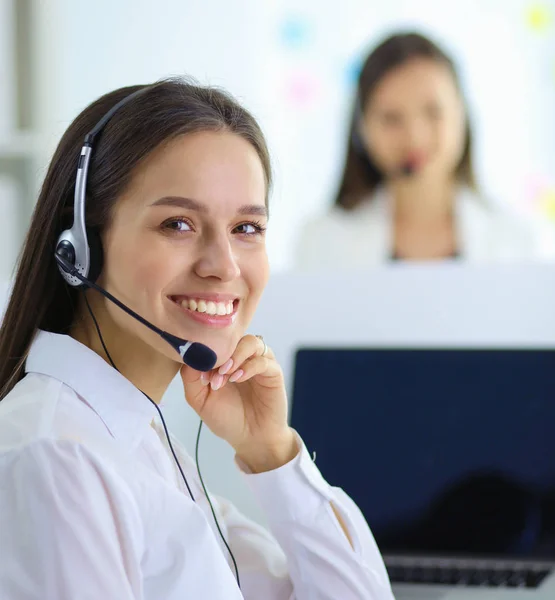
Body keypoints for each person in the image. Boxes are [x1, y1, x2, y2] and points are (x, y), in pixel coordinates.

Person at [0, 79, 394, 599]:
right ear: (82, 244)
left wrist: (270, 450)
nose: (224, 266)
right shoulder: (58, 460)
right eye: (179, 223)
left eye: (246, 228)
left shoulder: (141, 441)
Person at [295, 32, 555, 269]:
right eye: (391, 118)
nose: (414, 137)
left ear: (462, 113)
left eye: (433, 112)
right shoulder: (321, 241)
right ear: (362, 127)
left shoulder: (514, 240)